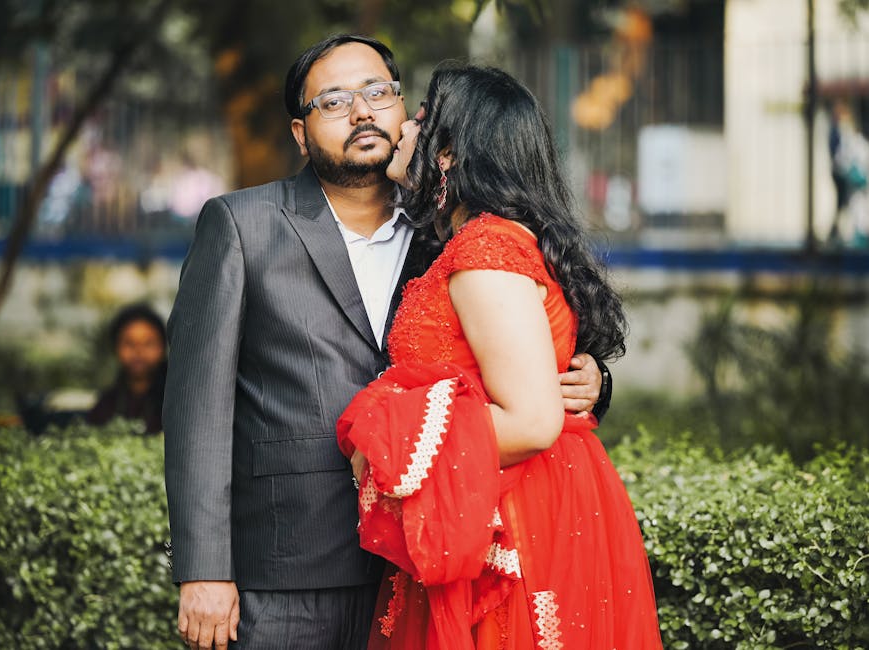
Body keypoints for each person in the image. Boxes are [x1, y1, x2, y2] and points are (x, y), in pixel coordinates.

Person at [163, 35, 607, 650]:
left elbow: (525, 354)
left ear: (406, 114)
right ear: (299, 133)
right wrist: (201, 569)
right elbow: (196, 411)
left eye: (379, 92)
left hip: (428, 567)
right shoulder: (242, 226)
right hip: (285, 575)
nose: (363, 111)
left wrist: (592, 379)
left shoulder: (450, 232)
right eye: (335, 100)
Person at [339, 64, 662, 648]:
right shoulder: (471, 239)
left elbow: (533, 419)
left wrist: (390, 440)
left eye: (418, 121)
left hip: (513, 511)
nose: (403, 129)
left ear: (446, 154)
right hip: (494, 496)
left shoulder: (486, 248)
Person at [86, 303, 167, 434]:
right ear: (116, 347)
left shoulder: (175, 401)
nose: (138, 351)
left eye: (148, 343)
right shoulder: (106, 406)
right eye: (129, 343)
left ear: (163, 348)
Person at [829, 100, 869, 247]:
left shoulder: (862, 143)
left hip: (864, 190)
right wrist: (853, 174)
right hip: (854, 189)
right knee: (855, 214)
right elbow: (840, 161)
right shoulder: (848, 140)